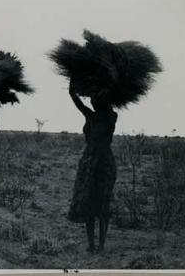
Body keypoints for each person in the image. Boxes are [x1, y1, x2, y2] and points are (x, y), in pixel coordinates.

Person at [67, 83, 117, 253]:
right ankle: (91, 244)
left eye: (97, 99)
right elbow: (78, 103)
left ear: (103, 101)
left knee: (103, 204)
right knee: (87, 203)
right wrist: (72, 87)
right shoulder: (91, 116)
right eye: (93, 99)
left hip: (103, 163)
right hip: (89, 162)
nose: (93, 101)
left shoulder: (111, 117)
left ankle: (101, 245)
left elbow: (110, 104)